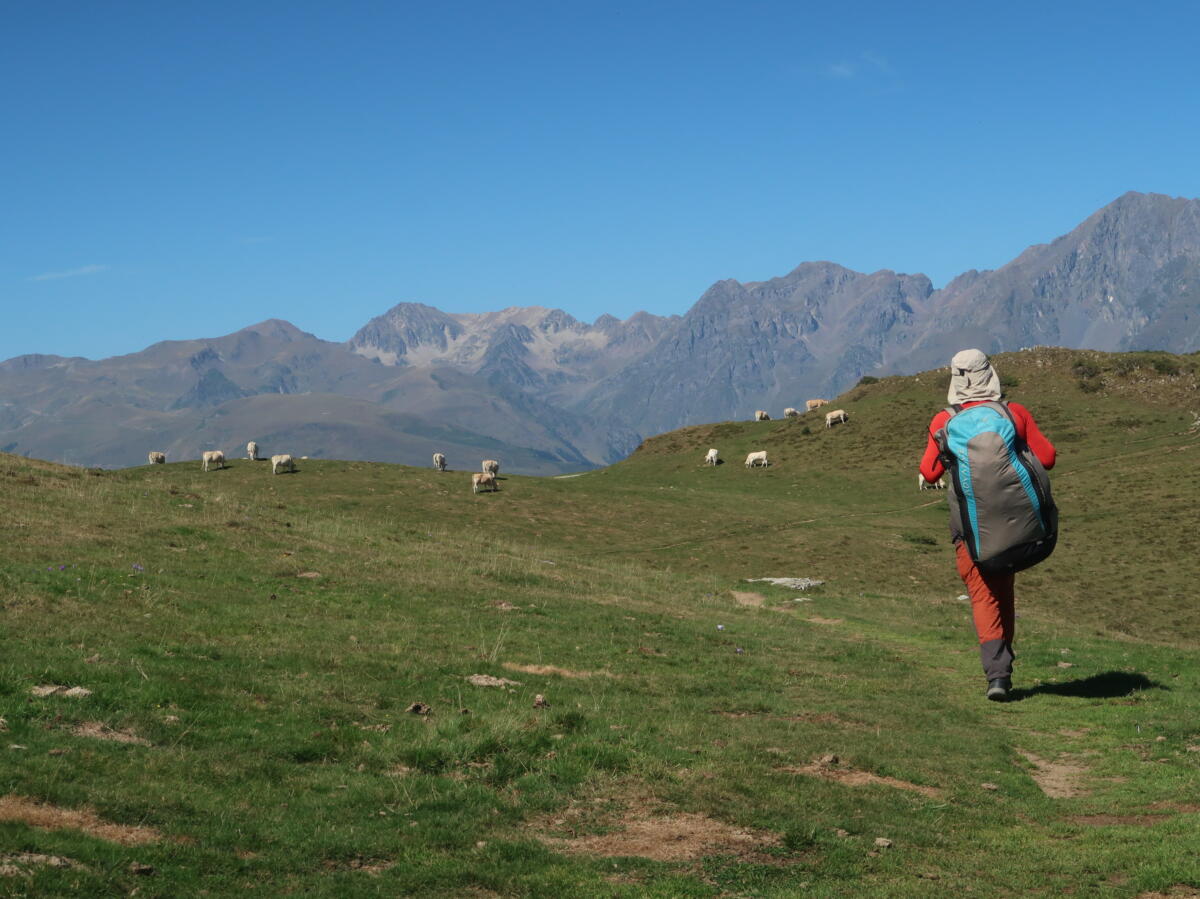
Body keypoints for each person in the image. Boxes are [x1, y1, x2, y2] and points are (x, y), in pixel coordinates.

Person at [919, 349, 1056, 702]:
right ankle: (1003, 666)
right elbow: (1048, 457)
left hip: (970, 528)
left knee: (984, 594)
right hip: (1018, 521)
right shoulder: (1013, 413)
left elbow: (929, 472)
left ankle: (998, 675)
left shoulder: (943, 421)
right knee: (1003, 588)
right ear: (989, 373)